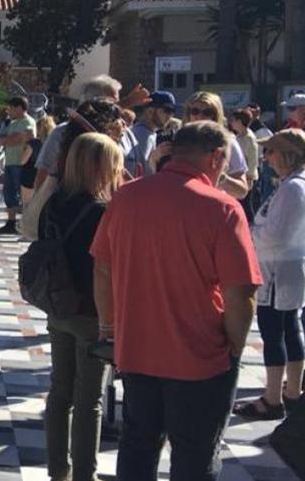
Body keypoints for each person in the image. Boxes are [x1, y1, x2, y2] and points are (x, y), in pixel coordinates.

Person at [90, 122, 261, 481]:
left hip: (136, 350)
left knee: (137, 444)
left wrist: (110, 328)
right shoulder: (222, 208)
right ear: (215, 157)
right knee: (195, 453)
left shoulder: (126, 197)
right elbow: (241, 291)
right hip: (199, 356)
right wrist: (233, 346)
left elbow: (102, 267)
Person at [42, 133, 124, 481]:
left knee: (60, 393)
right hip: (92, 313)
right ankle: (84, 476)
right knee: (89, 401)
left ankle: (58, 471)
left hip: (59, 307)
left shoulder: (55, 202)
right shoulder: (103, 211)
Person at [231, 129, 305, 420]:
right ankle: (291, 392)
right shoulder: (292, 185)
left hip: (278, 270)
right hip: (285, 268)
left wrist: (249, 234)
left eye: (272, 151)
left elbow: (277, 235)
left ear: (288, 154)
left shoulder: (293, 189)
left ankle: (275, 397)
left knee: (276, 332)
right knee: (288, 329)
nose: (267, 157)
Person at [155, 92, 249, 200]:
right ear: (188, 114)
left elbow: (242, 191)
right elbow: (156, 176)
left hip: (211, 205)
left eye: (207, 112)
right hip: (178, 204)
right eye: (195, 111)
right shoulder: (176, 139)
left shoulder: (228, 142)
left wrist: (220, 177)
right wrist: (155, 158)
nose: (200, 116)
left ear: (215, 115)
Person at [0, 97, 36, 235]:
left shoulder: (28, 122)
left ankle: (26, 223)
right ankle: (11, 222)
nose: (9, 112)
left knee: (24, 196)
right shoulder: (11, 123)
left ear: (19, 107)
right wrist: (10, 139)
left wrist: (10, 139)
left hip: (21, 164)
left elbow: (21, 139)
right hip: (9, 162)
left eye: (11, 108)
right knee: (9, 194)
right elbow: (1, 141)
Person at [127, 91, 175, 178]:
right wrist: (154, 158)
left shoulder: (147, 133)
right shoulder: (143, 134)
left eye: (172, 111)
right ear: (150, 111)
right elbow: (141, 174)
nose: (170, 115)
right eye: (167, 110)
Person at [229, 108, 261, 218]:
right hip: (239, 175)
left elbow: (253, 159)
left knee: (246, 205)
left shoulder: (249, 138)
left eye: (233, 120)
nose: (231, 123)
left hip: (247, 177)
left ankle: (250, 224)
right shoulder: (238, 136)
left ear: (240, 122)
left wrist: (249, 178)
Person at [20, 115, 53, 205]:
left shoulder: (33, 144)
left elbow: (23, 161)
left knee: (27, 206)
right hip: (48, 177)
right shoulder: (53, 143)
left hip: (29, 176)